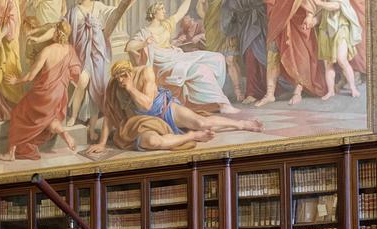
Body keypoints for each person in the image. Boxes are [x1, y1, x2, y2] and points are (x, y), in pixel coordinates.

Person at [87, 59, 263, 155]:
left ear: (131, 71)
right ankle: (191, 136)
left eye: (124, 75)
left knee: (201, 122)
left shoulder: (145, 72)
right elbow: (110, 114)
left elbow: (148, 104)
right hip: (144, 122)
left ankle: (241, 124)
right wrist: (102, 143)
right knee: (153, 142)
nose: (121, 80)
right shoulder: (115, 87)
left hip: (162, 108)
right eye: (118, 77)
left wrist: (131, 87)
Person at [29, 0, 137, 139]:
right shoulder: (73, 12)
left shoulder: (99, 7)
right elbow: (57, 29)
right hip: (81, 56)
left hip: (98, 57)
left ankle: (91, 130)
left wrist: (127, 3)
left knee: (97, 91)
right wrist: (38, 40)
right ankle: (73, 115)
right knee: (82, 81)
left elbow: (116, 13)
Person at [127, 1, 238, 114]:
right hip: (163, 65)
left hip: (174, 56)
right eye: (161, 9)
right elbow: (129, 46)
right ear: (154, 13)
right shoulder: (145, 32)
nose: (164, 11)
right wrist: (144, 43)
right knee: (200, 70)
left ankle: (211, 101)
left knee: (217, 58)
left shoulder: (166, 24)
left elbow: (181, 12)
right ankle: (221, 103)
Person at [0, 21, 82, 160]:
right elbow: (76, 72)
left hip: (45, 93)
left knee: (18, 114)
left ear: (55, 33)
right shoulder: (70, 49)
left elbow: (30, 76)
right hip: (59, 94)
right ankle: (65, 134)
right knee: (50, 118)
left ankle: (10, 153)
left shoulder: (47, 51)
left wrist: (16, 81)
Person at [257, 0, 326, 106]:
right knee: (272, 53)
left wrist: (310, 14)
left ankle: (297, 92)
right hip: (277, 19)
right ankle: (270, 94)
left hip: (298, 19)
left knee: (300, 56)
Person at [217, 0, 266, 103]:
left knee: (258, 56)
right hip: (246, 25)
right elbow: (232, 6)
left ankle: (257, 92)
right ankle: (252, 92)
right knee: (250, 57)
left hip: (258, 23)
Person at [311, 0, 363, 99]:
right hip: (326, 30)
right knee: (328, 63)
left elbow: (336, 6)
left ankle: (353, 88)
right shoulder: (325, 2)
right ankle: (331, 91)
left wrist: (320, 3)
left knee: (341, 59)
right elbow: (322, 13)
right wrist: (314, 20)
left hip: (340, 28)